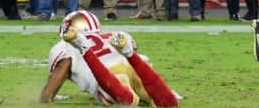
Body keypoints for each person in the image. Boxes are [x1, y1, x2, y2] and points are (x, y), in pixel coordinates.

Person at [40, 10, 179, 107]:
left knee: (127, 100)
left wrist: (47, 96)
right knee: (167, 103)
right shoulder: (114, 34)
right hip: (131, 66)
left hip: (109, 76)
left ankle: (84, 48)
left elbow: (59, 73)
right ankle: (129, 55)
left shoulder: (66, 45)